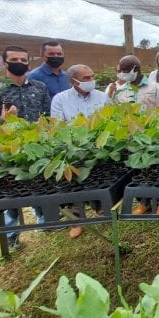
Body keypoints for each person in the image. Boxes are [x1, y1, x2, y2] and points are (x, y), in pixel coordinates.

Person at [0, 45, 51, 252]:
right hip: (7, 150)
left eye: (23, 60)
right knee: (10, 194)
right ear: (4, 63)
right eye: (14, 59)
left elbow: (47, 116)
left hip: (36, 147)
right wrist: (1, 120)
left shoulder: (39, 87)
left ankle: (44, 220)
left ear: (29, 63)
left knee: (38, 184)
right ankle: (12, 234)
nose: (19, 63)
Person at [50, 64, 111, 238]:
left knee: (99, 178)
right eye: (86, 78)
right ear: (73, 81)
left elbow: (112, 120)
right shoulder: (60, 99)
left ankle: (100, 209)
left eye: (92, 76)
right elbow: (57, 126)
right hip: (73, 149)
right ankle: (76, 219)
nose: (91, 80)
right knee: (73, 182)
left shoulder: (103, 97)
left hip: (99, 147)